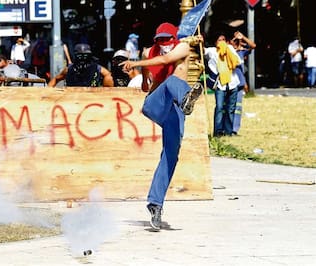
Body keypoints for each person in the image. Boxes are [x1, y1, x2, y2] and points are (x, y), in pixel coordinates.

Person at [120, 22, 203, 231]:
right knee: (169, 83)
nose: (163, 43)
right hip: (155, 104)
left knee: (170, 155)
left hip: (176, 110)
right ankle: (186, 98)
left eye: (167, 39)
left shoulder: (182, 47)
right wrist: (146, 71)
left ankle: (155, 204)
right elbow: (147, 87)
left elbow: (167, 59)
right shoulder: (150, 52)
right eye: (159, 40)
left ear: (174, 38)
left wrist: (136, 62)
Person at [204, 34, 241, 137]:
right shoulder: (212, 51)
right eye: (219, 40)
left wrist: (228, 54)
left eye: (224, 40)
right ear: (215, 42)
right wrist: (200, 40)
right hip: (220, 84)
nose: (222, 42)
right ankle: (218, 131)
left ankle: (228, 131)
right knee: (219, 107)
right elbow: (202, 50)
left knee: (231, 108)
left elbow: (237, 61)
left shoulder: (229, 49)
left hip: (232, 82)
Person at [48, 43, 113, 87]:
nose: (82, 58)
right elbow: (56, 79)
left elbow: (109, 76)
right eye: (80, 56)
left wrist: (106, 90)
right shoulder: (69, 69)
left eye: (85, 56)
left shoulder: (97, 68)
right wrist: (47, 92)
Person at [230, 31, 256, 135]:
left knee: (238, 108)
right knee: (228, 107)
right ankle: (226, 128)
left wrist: (243, 37)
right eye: (236, 41)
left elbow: (253, 46)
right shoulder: (228, 51)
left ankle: (235, 129)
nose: (237, 43)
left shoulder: (241, 53)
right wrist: (233, 41)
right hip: (229, 83)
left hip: (239, 84)